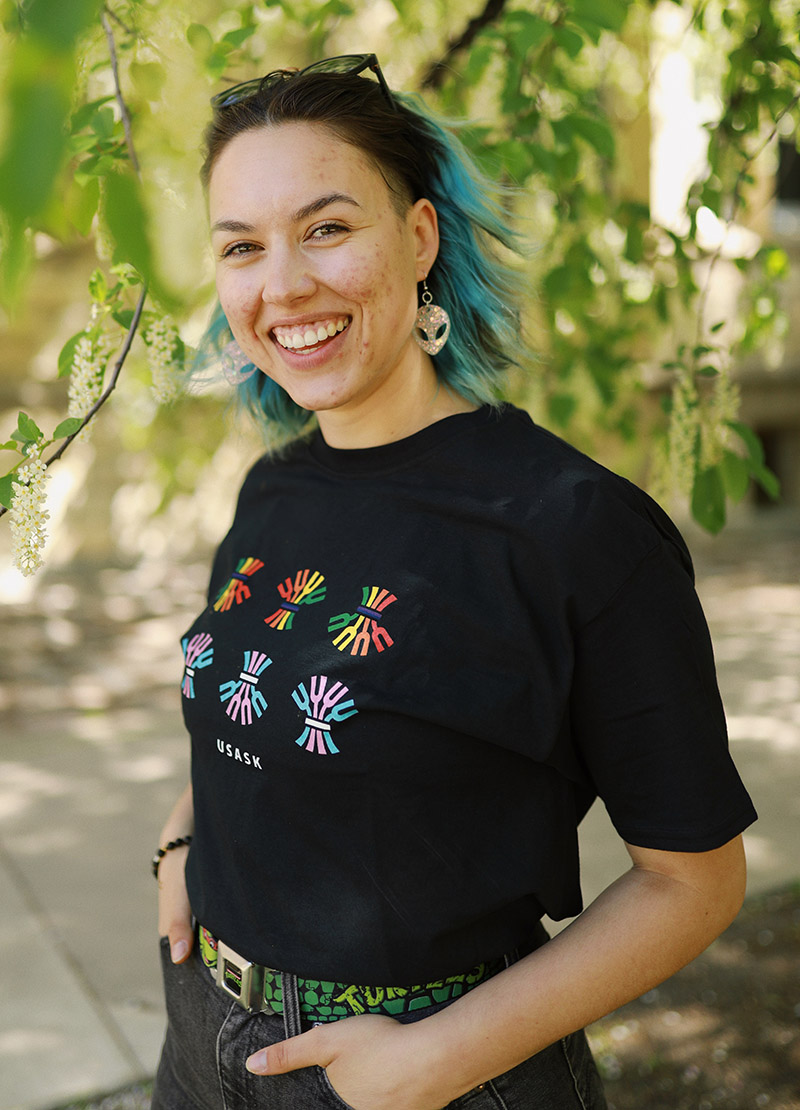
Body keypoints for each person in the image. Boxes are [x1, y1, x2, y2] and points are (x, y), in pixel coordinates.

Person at [152, 54, 757, 1110]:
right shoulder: (274, 490)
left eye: (326, 228)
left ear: (420, 239)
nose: (282, 283)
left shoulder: (571, 527)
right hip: (203, 1042)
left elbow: (690, 881)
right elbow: (269, 695)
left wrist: (434, 1062)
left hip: (437, 1071)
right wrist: (182, 829)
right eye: (241, 247)